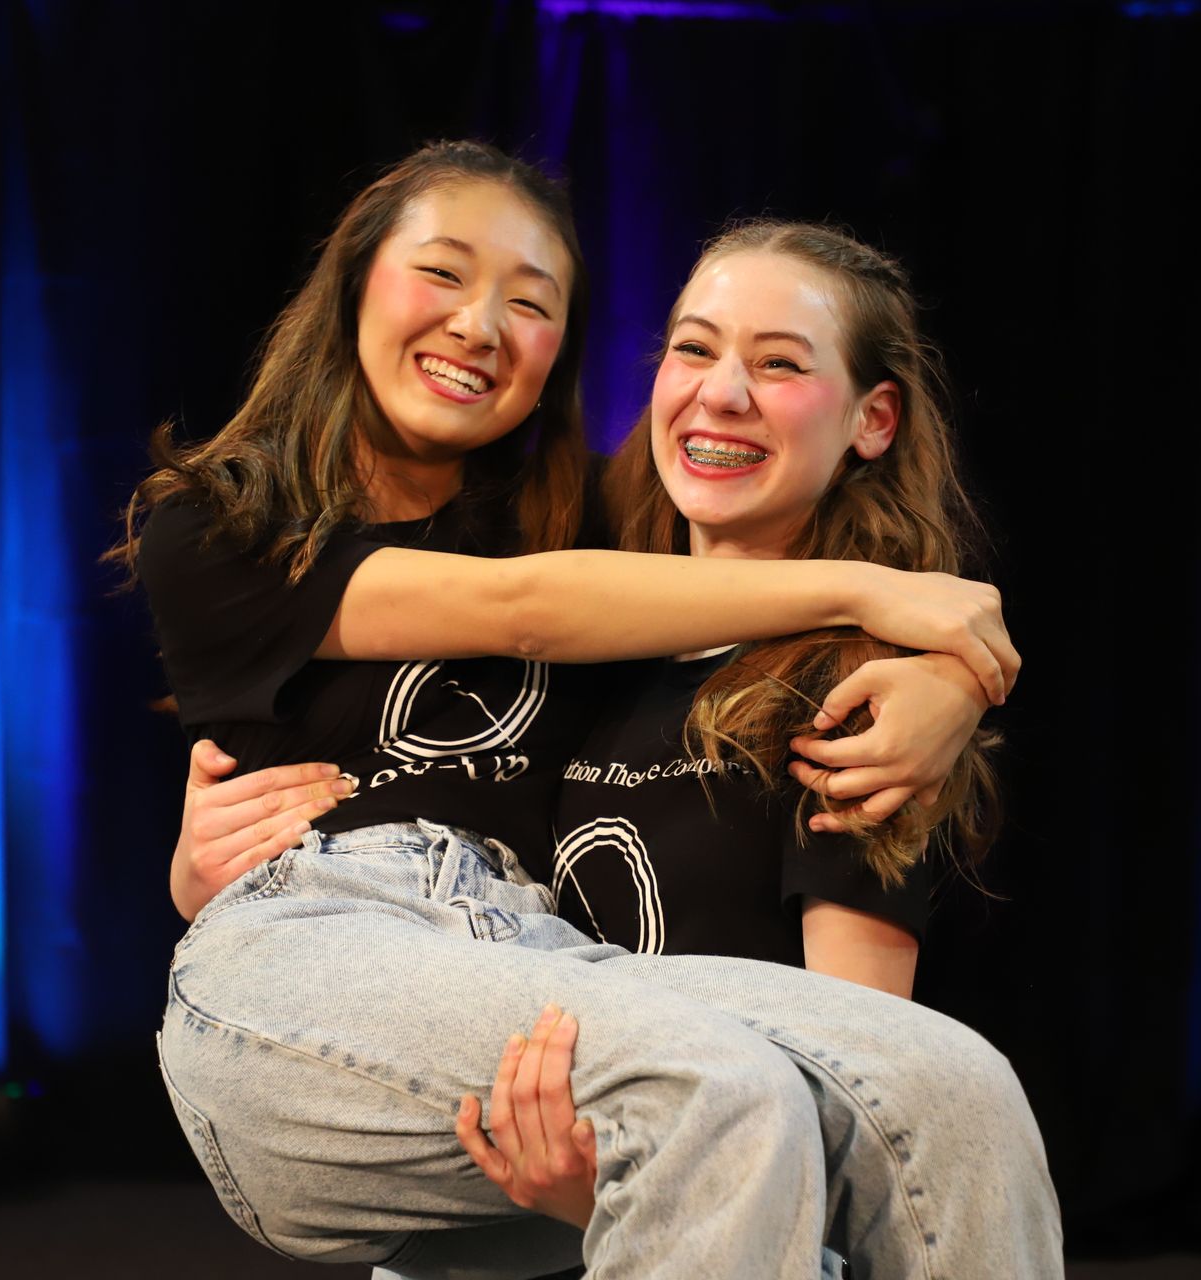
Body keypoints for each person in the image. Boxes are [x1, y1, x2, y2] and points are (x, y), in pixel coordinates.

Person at [118, 140, 1059, 1278]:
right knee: (723, 1087)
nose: (479, 324)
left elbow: (716, 559)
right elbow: (522, 609)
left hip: (536, 971)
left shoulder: (574, 521)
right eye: (444, 274)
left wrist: (944, 676)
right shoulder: (225, 522)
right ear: (353, 280)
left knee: (956, 1088)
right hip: (321, 943)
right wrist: (888, 602)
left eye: (531, 301)